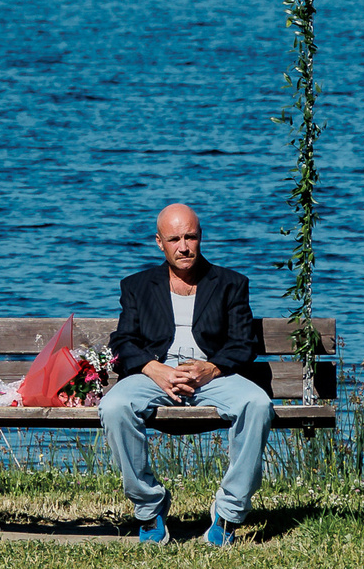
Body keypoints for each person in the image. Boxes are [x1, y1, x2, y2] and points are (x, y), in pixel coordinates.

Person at [98, 202, 274, 546]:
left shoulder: (230, 284)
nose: (184, 246)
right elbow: (122, 342)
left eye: (190, 237)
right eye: (175, 238)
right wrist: (154, 369)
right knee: (114, 406)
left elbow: (244, 343)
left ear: (201, 238)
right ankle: (149, 508)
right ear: (159, 243)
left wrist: (212, 367)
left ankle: (228, 514)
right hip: (154, 376)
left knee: (257, 404)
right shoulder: (137, 285)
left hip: (213, 377)